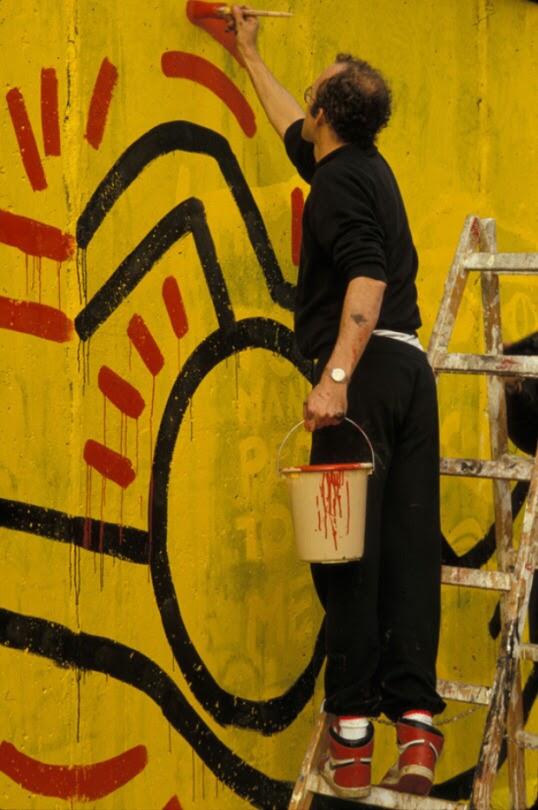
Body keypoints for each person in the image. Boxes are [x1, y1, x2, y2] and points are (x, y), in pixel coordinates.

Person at [232, 6, 445, 799]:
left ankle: (352, 737)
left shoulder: (335, 185)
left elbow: (366, 275)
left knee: (344, 556)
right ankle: (416, 731)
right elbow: (291, 126)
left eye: (314, 86)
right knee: (408, 553)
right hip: (409, 374)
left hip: (363, 382)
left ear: (326, 114)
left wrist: (335, 378)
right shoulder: (360, 167)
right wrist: (249, 55)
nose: (307, 95)